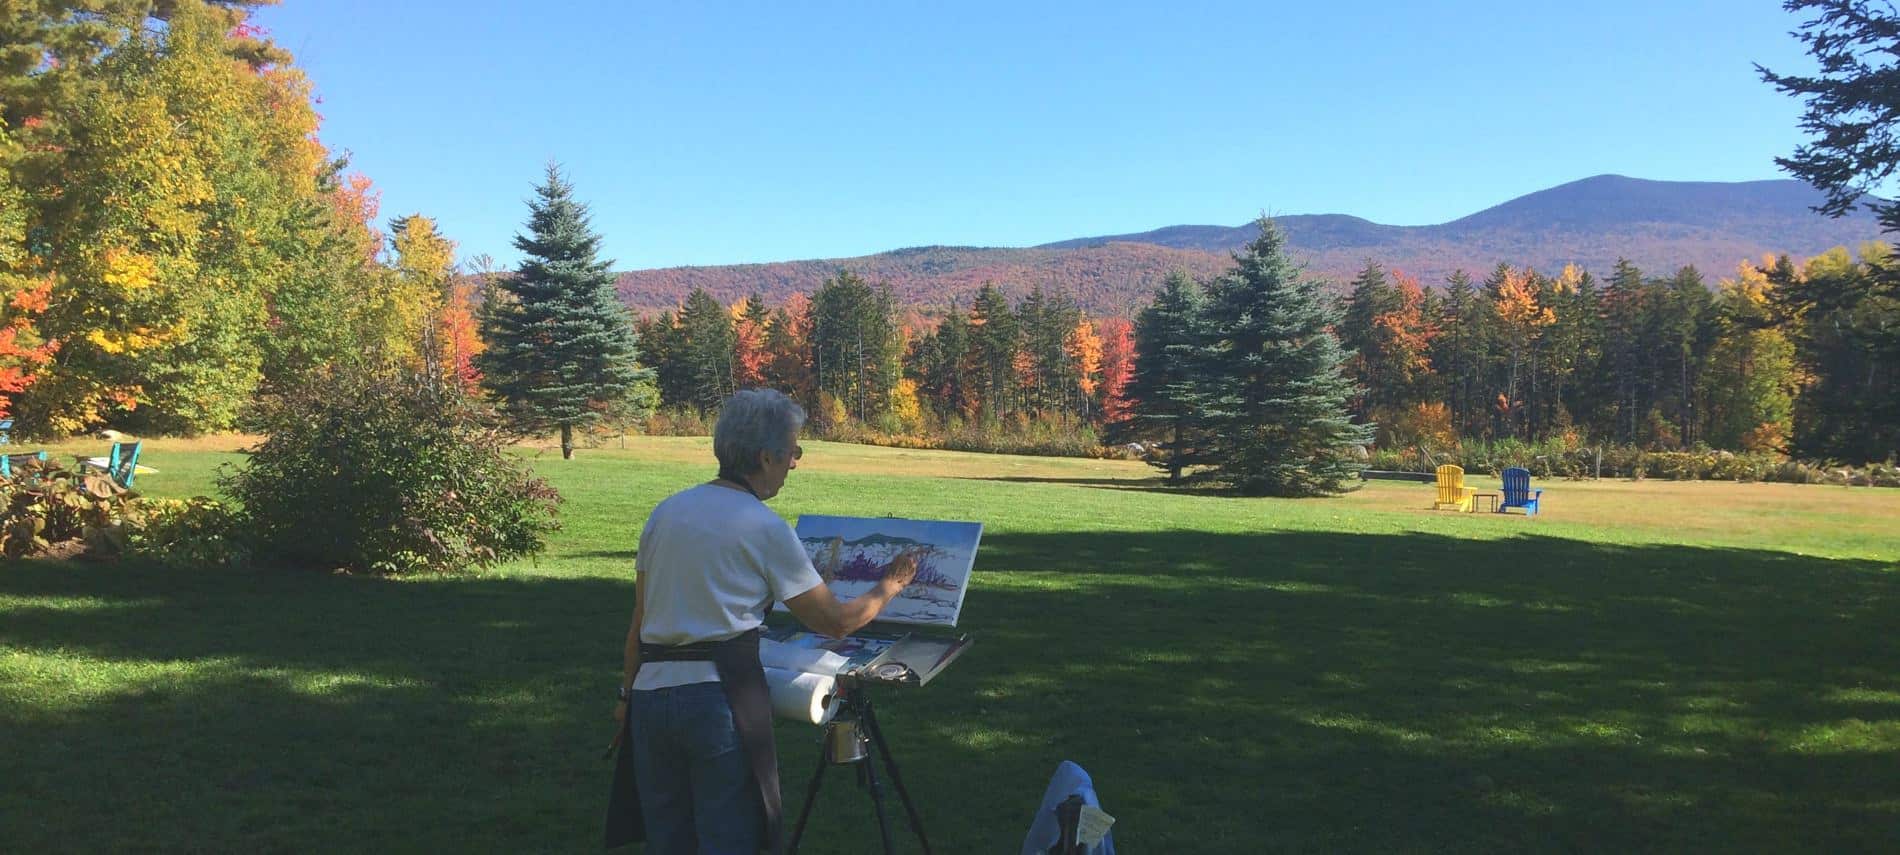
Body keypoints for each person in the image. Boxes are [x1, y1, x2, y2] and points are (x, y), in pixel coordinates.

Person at [605, 389, 918, 855]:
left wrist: (626, 699)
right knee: (730, 837)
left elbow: (639, 623)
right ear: (765, 456)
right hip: (717, 702)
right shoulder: (763, 526)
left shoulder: (665, 513)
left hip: (651, 699)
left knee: (670, 841)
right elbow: (835, 622)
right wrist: (889, 586)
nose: (796, 462)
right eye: (793, 451)